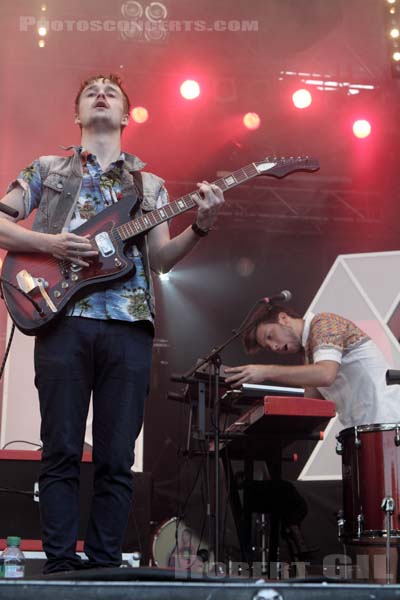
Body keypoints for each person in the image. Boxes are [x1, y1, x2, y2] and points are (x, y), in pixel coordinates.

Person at [0, 73, 224, 574]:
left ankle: (103, 565)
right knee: (59, 447)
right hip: (62, 320)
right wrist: (51, 245)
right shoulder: (46, 169)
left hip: (128, 327)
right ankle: (59, 563)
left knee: (116, 455)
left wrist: (202, 227)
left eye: (112, 91)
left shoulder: (149, 185)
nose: (101, 93)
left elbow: (162, 259)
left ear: (126, 116)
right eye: (90, 90)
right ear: (77, 114)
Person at [225, 304, 400, 428]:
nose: (274, 347)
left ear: (283, 319)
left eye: (270, 336)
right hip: (363, 430)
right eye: (268, 346)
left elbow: (325, 375)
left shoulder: (324, 323)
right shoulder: (309, 353)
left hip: (388, 421)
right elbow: (312, 402)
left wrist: (266, 371)